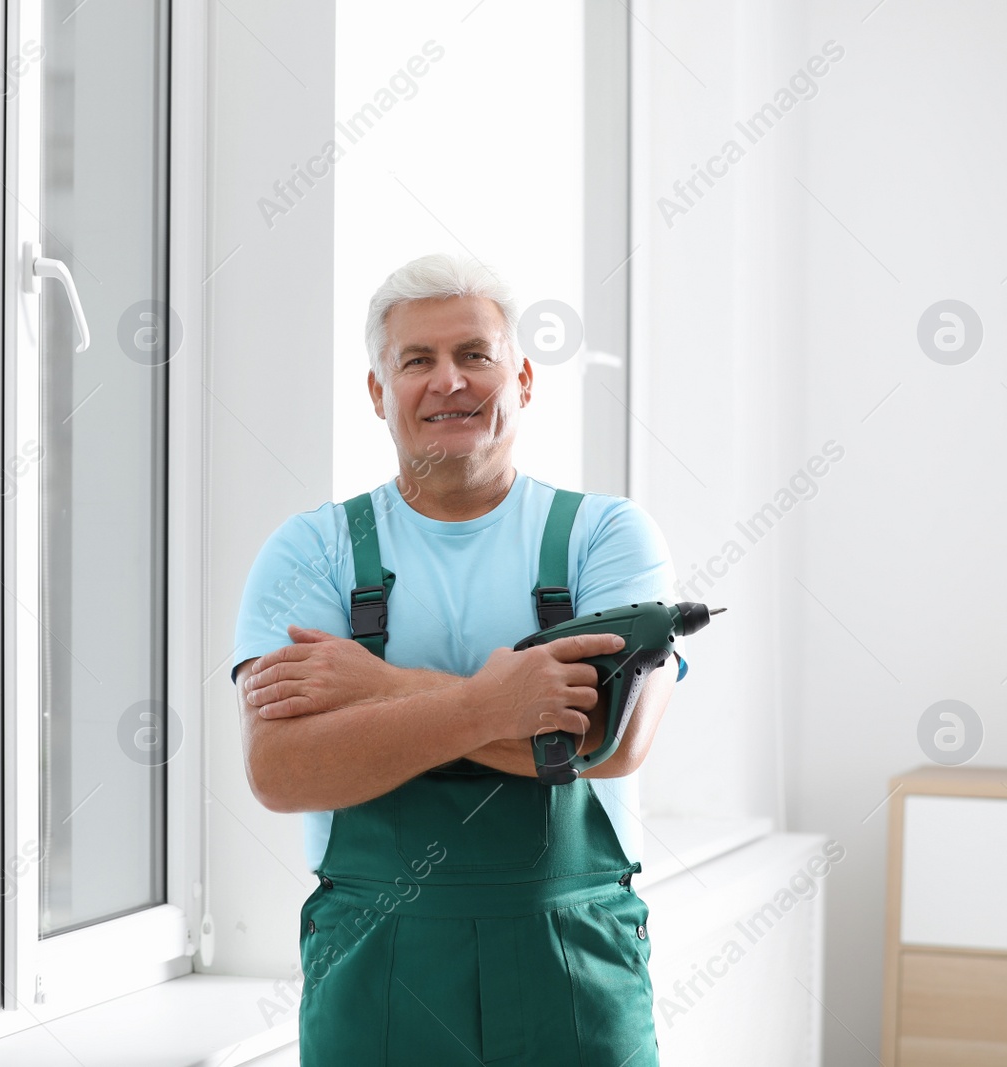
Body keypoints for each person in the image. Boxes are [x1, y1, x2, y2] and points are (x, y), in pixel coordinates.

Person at [230, 252, 688, 1066]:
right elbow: (282, 769)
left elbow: (608, 747)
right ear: (378, 392)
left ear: (522, 378)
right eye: (417, 361)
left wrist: (381, 688)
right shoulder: (311, 551)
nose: (449, 381)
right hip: (377, 968)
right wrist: (504, 707)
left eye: (475, 354)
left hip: (575, 965)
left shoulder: (608, 538)